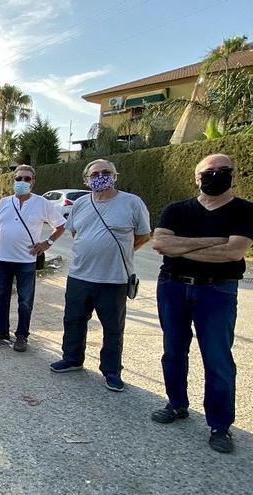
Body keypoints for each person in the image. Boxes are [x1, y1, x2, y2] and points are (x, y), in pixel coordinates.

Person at [149, 154, 253, 454]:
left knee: (218, 357)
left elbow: (233, 253)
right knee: (173, 350)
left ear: (232, 174)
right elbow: (160, 244)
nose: (215, 175)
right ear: (197, 177)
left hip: (217, 291)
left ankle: (220, 425)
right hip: (173, 286)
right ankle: (177, 404)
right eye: (209, 171)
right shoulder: (177, 209)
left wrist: (182, 247)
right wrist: (214, 241)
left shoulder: (244, 210)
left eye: (223, 170)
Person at [50, 159, 151, 393]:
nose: (101, 176)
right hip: (79, 275)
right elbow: (76, 232)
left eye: (106, 172)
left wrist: (121, 252)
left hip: (114, 278)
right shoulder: (81, 204)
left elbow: (144, 235)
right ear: (87, 179)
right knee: (73, 320)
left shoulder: (132, 203)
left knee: (112, 327)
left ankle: (112, 370)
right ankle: (72, 359)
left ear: (115, 176)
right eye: (95, 174)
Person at [0, 165, 66, 352]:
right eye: (19, 178)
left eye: (27, 179)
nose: (22, 182)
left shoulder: (42, 203)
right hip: (2, 260)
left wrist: (47, 243)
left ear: (33, 181)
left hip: (26, 262)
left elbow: (61, 225)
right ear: (14, 180)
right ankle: (1, 331)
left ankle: (22, 336)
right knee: (0, 297)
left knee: (25, 300)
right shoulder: (4, 202)